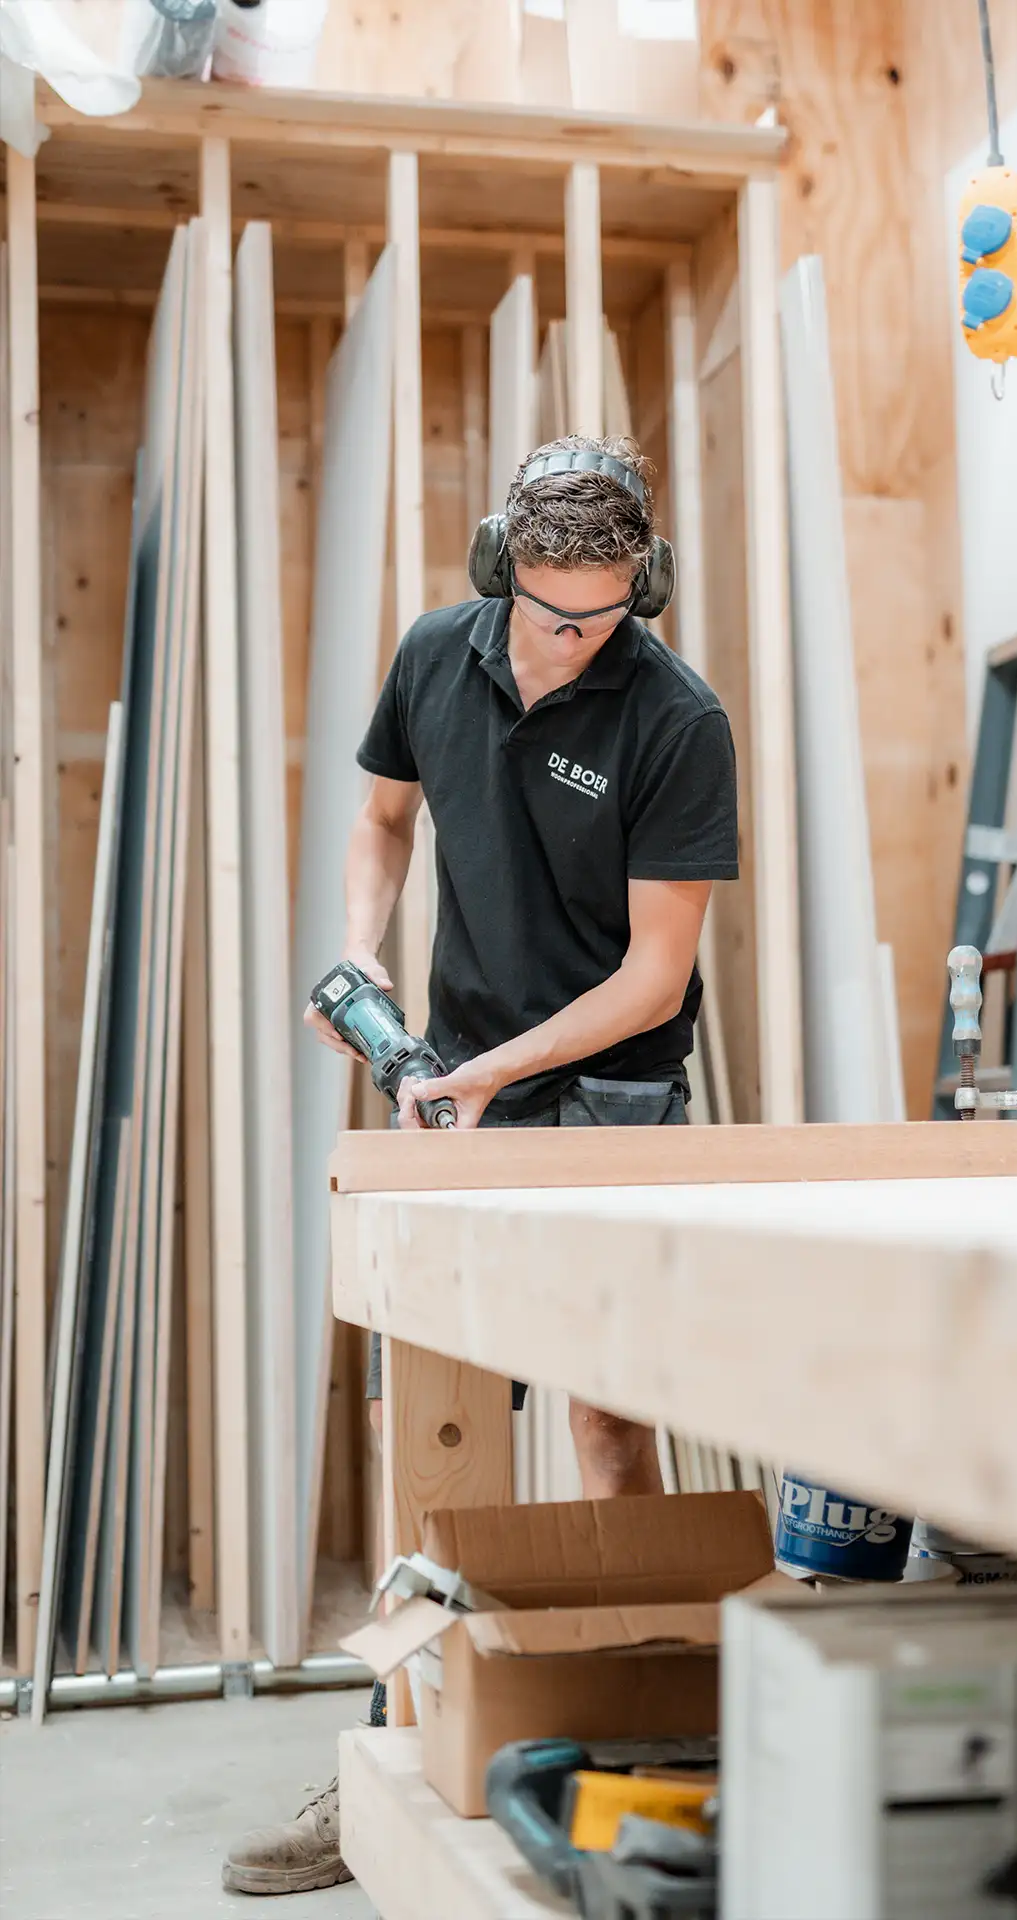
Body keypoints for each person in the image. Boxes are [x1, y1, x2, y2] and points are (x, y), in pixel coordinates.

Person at [221, 435, 739, 1896]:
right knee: (428, 1429)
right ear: (499, 573)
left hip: (609, 1099)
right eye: (552, 615)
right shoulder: (437, 655)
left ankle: (661, 1737)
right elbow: (384, 817)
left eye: (607, 618)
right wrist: (358, 941)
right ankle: (401, 1742)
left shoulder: (678, 717)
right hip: (458, 1080)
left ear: (643, 590)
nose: (577, 646)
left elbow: (654, 980)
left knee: (606, 1427)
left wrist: (490, 1078)